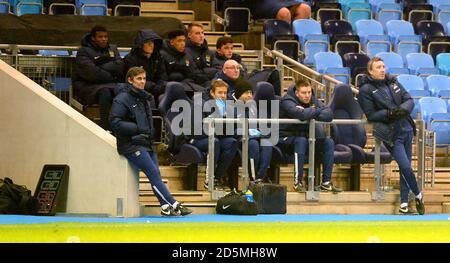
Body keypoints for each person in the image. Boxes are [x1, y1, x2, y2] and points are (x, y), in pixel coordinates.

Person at [109, 67, 192, 216]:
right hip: (131, 144)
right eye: (139, 79)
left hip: (146, 143)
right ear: (130, 80)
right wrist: (137, 128)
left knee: (156, 175)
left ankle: (165, 208)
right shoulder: (122, 99)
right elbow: (115, 122)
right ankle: (173, 204)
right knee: (153, 172)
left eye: (144, 78)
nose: (142, 82)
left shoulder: (144, 98)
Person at [357, 57, 425, 215]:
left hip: (407, 129)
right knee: (406, 166)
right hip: (390, 134)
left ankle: (403, 205)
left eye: (383, 66)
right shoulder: (366, 90)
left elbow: (408, 99)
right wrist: (391, 113)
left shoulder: (393, 82)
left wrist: (402, 110)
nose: (382, 69)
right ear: (370, 71)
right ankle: (418, 195)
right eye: (378, 67)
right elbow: (371, 115)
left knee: (404, 168)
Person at [278, 79, 342, 193]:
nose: (307, 96)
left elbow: (329, 114)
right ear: (297, 93)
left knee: (328, 142)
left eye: (309, 92)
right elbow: (300, 115)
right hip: (285, 138)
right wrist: (316, 111)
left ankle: (326, 183)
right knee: (301, 141)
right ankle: (298, 182)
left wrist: (310, 111)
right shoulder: (287, 100)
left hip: (305, 138)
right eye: (304, 93)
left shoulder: (312, 99)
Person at [72, 25, 124, 131]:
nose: (104, 39)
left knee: (125, 89)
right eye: (100, 37)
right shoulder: (83, 51)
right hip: (88, 86)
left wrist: (100, 66)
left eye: (105, 36)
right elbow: (91, 73)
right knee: (105, 92)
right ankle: (107, 129)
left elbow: (120, 66)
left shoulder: (113, 49)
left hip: (109, 83)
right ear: (93, 38)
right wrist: (111, 75)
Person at [189, 79, 238, 190]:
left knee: (232, 143)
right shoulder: (200, 103)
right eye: (220, 93)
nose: (223, 96)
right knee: (214, 142)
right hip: (198, 138)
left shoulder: (227, 107)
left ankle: (216, 178)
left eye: (225, 93)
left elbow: (230, 130)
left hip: (217, 136)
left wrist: (224, 116)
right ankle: (208, 180)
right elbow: (196, 129)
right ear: (212, 93)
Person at [212, 36, 282, 95]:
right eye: (226, 48)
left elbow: (244, 72)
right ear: (219, 50)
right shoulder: (217, 62)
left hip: (246, 80)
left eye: (231, 48)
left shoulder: (237, 59)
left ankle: (276, 99)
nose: (230, 51)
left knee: (273, 73)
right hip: (238, 86)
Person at [233, 78, 273, 182]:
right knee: (253, 144)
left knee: (267, 144)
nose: (250, 95)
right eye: (246, 93)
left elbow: (259, 123)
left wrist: (261, 132)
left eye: (251, 92)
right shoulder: (232, 106)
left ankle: (259, 178)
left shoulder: (253, 106)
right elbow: (231, 129)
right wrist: (247, 132)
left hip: (254, 136)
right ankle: (253, 178)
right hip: (239, 138)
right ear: (239, 94)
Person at [124, 29, 168, 103]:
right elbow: (134, 81)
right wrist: (153, 87)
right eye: (148, 43)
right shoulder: (130, 59)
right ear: (140, 45)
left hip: (156, 89)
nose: (152, 45)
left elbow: (162, 76)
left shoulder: (158, 58)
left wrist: (160, 86)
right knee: (150, 98)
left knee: (166, 96)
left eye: (153, 42)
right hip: (137, 90)